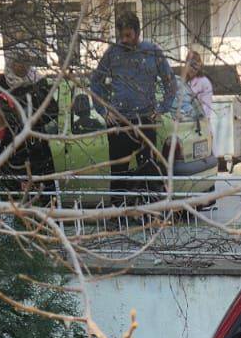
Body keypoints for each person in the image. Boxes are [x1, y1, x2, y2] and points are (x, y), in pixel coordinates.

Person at [91, 11, 177, 202]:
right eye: (121, 36)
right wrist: (103, 110)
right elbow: (95, 82)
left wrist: (162, 108)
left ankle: (150, 214)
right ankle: (118, 217)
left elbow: (170, 82)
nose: (124, 40)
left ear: (138, 33)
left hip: (145, 120)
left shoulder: (152, 51)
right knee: (118, 172)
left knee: (148, 170)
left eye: (128, 35)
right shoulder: (112, 53)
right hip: (119, 122)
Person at [180, 50, 214, 143]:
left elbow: (206, 109)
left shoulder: (204, 82)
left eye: (194, 66)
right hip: (186, 127)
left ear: (199, 66)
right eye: (189, 65)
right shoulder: (184, 82)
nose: (191, 69)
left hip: (201, 126)